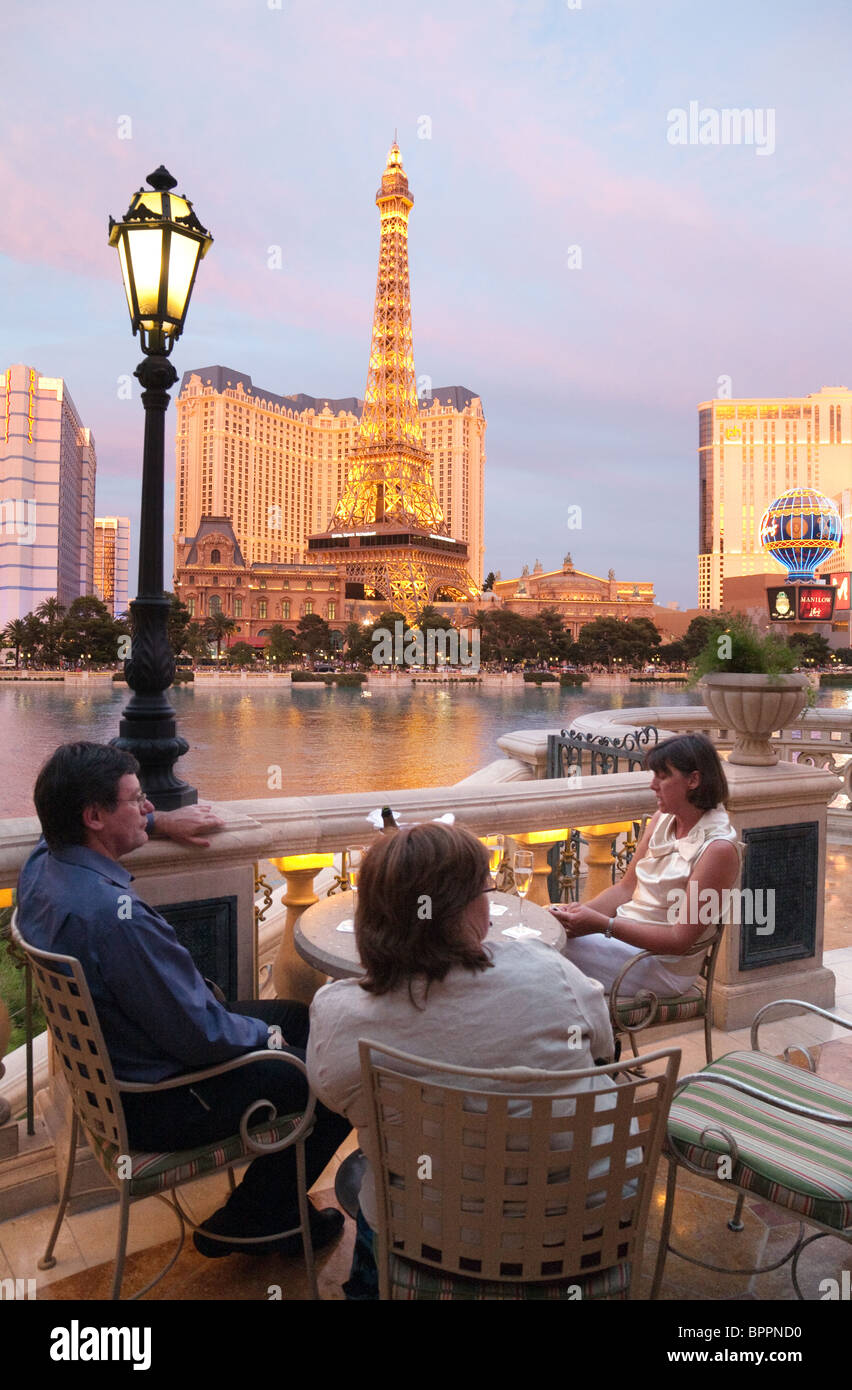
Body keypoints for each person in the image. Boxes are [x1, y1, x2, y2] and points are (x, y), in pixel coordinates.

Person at [16, 742, 350, 1257]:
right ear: (95, 816)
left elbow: (191, 1021)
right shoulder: (114, 919)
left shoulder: (44, 868)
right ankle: (257, 1217)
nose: (150, 808)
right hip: (162, 1098)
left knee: (296, 1015)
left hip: (112, 1079)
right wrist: (268, 1039)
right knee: (334, 1076)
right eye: (137, 800)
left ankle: (269, 1205)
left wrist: (157, 824)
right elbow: (203, 1037)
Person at [306, 821, 616, 1298]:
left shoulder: (341, 1016)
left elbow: (333, 1098)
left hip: (431, 1239)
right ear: (471, 906)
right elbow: (602, 1050)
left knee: (380, 1189)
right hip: (576, 1229)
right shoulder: (550, 970)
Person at [549, 733, 741, 997]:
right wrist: (574, 915)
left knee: (542, 950)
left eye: (662, 776)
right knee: (542, 927)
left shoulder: (718, 849)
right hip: (622, 939)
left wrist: (602, 925)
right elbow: (625, 890)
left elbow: (679, 942)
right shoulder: (662, 818)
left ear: (693, 780)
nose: (653, 785)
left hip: (662, 965)